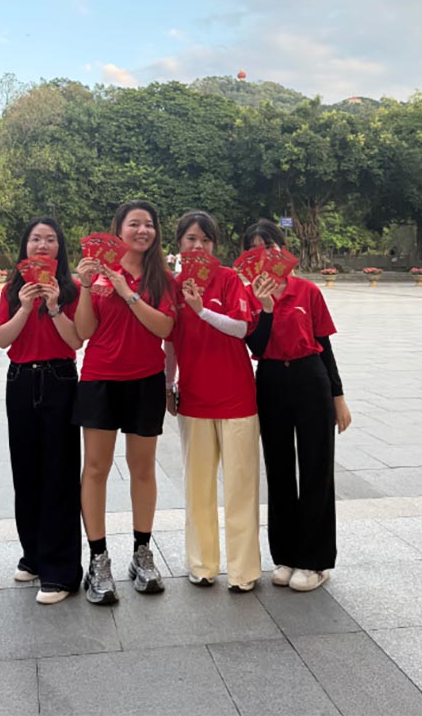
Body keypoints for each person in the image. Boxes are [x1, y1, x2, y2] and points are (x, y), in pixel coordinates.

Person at [74, 200, 175, 605]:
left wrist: (128, 293)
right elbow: (83, 332)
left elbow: (164, 327)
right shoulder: (96, 274)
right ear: (118, 230)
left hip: (145, 381)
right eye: (134, 224)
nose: (142, 230)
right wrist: (86, 286)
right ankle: (98, 559)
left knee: (143, 469)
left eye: (149, 224)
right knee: (96, 468)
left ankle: (142, 553)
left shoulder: (161, 278)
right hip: (99, 379)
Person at [244, 219, 352, 593]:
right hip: (271, 380)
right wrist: (265, 308)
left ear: (282, 249)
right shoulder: (249, 295)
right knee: (279, 470)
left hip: (310, 378)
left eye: (270, 246)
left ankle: (315, 561)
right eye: (255, 249)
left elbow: (325, 346)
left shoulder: (307, 290)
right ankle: (286, 556)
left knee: (316, 467)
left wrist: (338, 397)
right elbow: (256, 347)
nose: (265, 254)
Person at [165, 210, 262, 593]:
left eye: (205, 240)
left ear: (214, 245)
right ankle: (202, 564)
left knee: (241, 487)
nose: (198, 246)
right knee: (198, 487)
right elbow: (170, 342)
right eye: (191, 239)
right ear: (179, 244)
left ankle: (243, 571)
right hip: (194, 398)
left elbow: (241, 328)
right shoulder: (172, 286)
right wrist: (168, 384)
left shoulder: (229, 279)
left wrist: (202, 310)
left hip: (237, 397)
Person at [0, 216, 83, 605]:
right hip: (20, 380)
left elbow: (76, 340)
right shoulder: (13, 288)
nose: (42, 245)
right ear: (25, 246)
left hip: (59, 379)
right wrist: (26, 307)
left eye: (50, 239)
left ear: (60, 247)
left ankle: (61, 571)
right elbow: (2, 339)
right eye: (35, 239)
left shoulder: (71, 288)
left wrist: (55, 306)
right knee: (26, 471)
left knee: (59, 473)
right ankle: (33, 554)